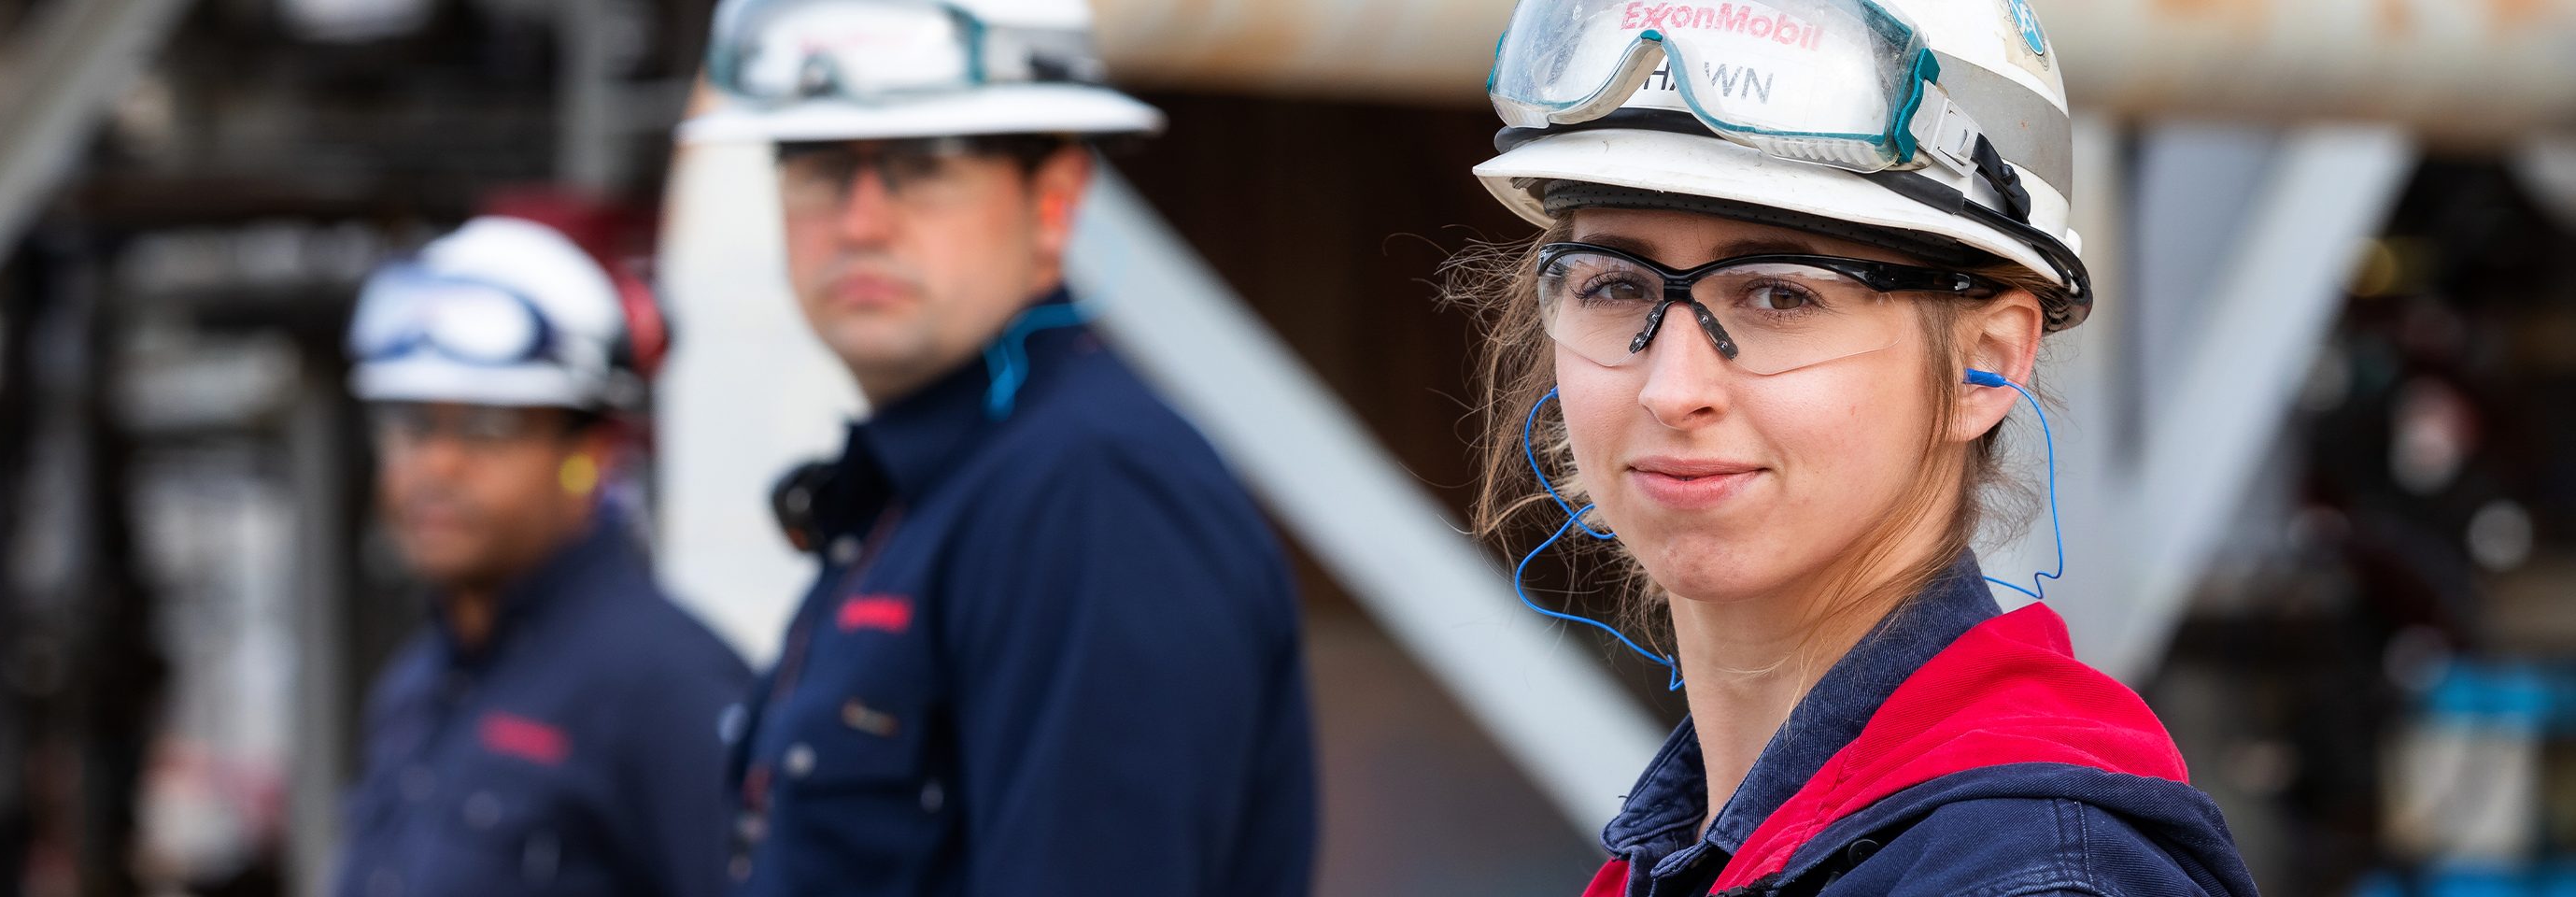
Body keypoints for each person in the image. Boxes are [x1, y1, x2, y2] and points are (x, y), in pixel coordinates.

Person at [1454, 1, 2258, 893]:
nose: (1672, 389)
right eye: (1611, 284)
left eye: (1781, 296)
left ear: (1983, 366)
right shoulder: (1695, 852)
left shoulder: (2025, 876)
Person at [678, 1, 1317, 895]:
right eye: (819, 166)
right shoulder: (930, 489)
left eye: (923, 166)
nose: (861, 223)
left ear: (1055, 201)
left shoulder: (1093, 492)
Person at [333, 215, 749, 897]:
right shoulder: (414, 690)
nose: (436, 466)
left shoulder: (668, 687)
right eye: (411, 425)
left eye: (487, 428)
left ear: (590, 452)